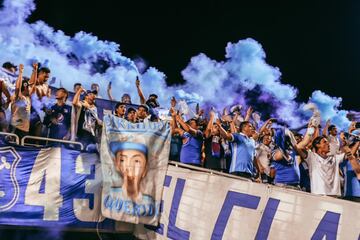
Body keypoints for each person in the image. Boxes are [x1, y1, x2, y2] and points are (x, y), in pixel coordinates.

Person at [10, 64, 35, 139]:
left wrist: (35, 70)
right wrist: (21, 72)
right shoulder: (19, 97)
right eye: (29, 87)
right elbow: (18, 88)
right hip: (16, 128)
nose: (31, 89)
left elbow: (33, 83)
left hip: (24, 129)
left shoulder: (28, 98)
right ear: (25, 88)